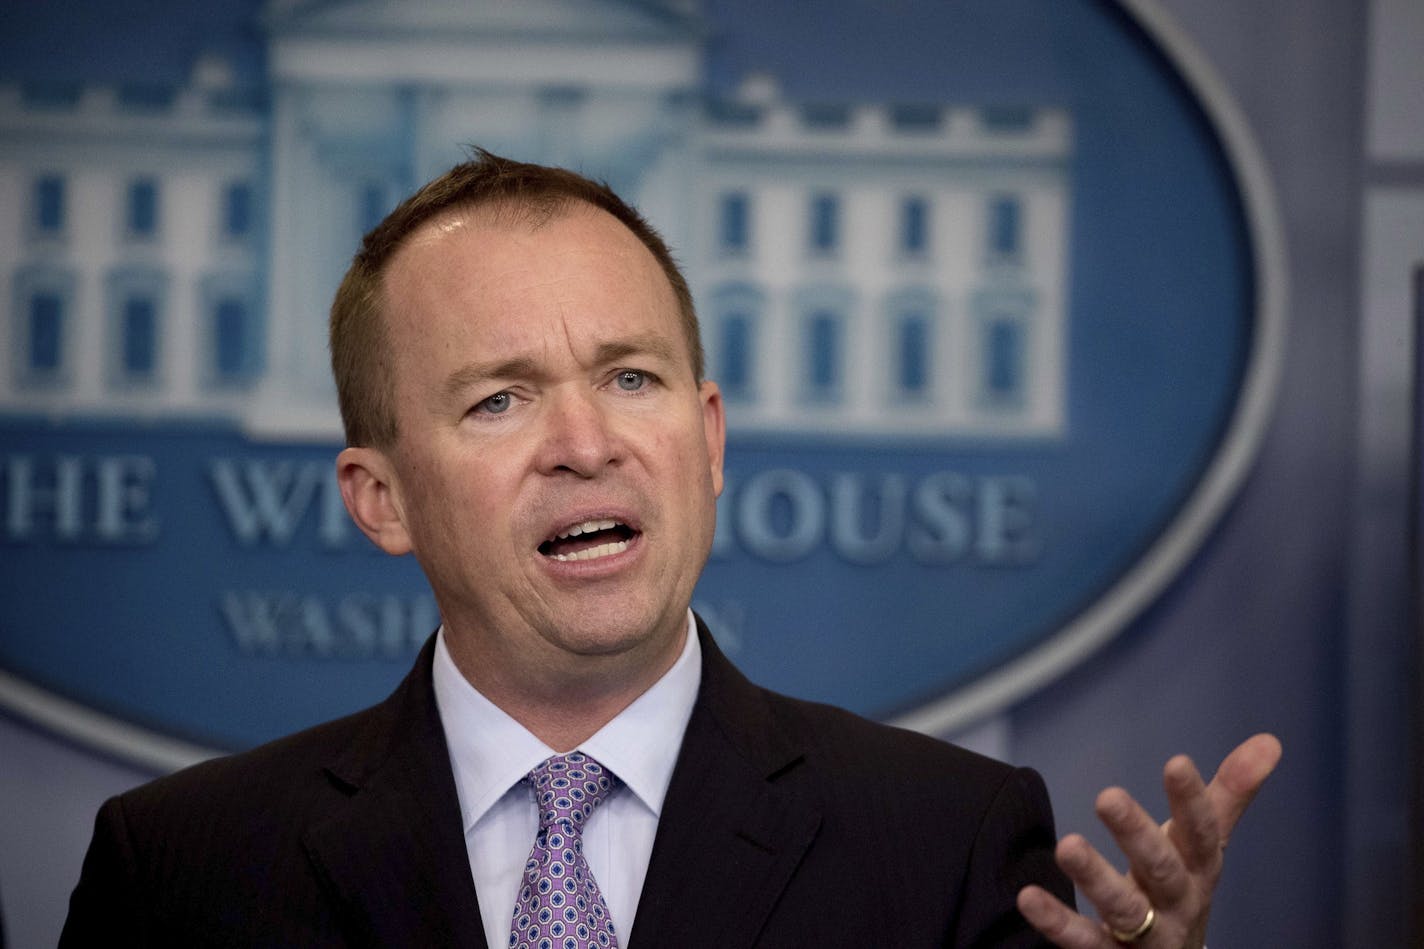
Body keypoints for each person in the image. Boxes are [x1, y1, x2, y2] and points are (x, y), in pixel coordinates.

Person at [61, 150, 1279, 948]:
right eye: (498, 399)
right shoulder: (181, 871)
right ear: (380, 500)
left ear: (705, 442)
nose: (584, 443)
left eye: (628, 377)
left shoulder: (949, 840)